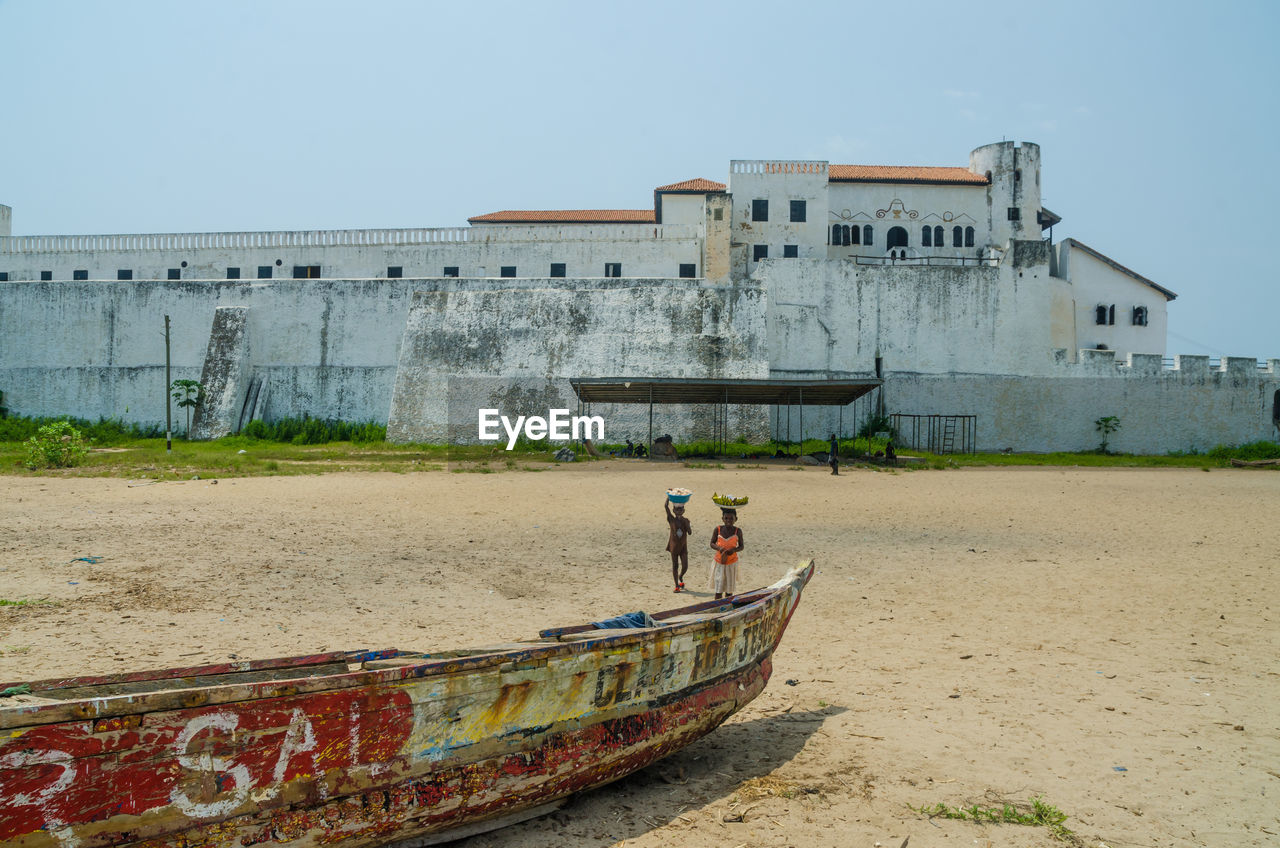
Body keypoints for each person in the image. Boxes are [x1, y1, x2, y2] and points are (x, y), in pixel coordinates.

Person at [709, 508, 745, 599]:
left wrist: (733, 550)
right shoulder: (718, 529)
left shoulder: (738, 531)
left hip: (731, 563)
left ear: (736, 519)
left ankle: (728, 608)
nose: (728, 520)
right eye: (726, 518)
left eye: (731, 518)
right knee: (718, 590)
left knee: (729, 591)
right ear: (722, 519)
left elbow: (741, 546)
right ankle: (717, 607)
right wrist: (719, 548)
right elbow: (712, 543)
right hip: (719, 562)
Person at [664, 498, 691, 592]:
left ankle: (681, 576)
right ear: (673, 510)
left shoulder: (686, 520)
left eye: (681, 509)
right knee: (675, 565)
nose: (679, 511)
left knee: (685, 566)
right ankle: (676, 585)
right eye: (677, 509)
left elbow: (690, 532)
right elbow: (665, 506)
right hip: (674, 546)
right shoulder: (671, 519)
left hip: (683, 546)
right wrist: (669, 497)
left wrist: (686, 523)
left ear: (684, 510)